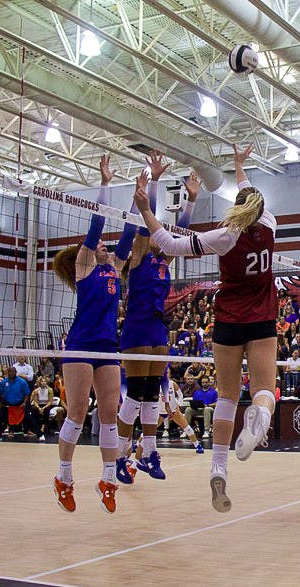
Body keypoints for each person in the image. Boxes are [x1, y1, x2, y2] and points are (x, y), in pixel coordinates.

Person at [134, 143, 277, 513]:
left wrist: (148, 211)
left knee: (227, 395)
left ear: (239, 208)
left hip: (229, 319)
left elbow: (168, 243)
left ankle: (219, 467)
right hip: (262, 318)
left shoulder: (225, 236)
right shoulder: (270, 225)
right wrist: (239, 167)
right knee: (265, 390)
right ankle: (259, 418)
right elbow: (251, 197)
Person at [51, 154, 129, 514]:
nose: (103, 246)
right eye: (97, 245)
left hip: (107, 347)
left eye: (103, 247)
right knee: (77, 413)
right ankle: (64, 478)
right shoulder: (84, 268)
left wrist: (141, 197)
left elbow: (130, 233)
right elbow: (97, 226)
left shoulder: (114, 268)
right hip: (81, 345)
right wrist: (105, 182)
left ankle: (108, 479)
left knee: (109, 414)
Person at [115, 152, 197, 484]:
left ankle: (148, 453)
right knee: (135, 394)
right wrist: (155, 183)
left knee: (152, 394)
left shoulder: (165, 262)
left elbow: (184, 232)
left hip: (158, 327)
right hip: (135, 327)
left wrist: (191, 200)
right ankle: (121, 457)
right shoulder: (138, 258)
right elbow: (143, 224)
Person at [0, 366, 37, 441]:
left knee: (29, 419)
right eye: (10, 372)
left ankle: (39, 434)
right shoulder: (4, 382)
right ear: (8, 373)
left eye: (13, 372)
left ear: (16, 373)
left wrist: (24, 403)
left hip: (19, 405)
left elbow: (27, 394)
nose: (11, 373)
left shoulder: (22, 382)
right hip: (7, 405)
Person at [30, 376, 54, 442]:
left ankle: (43, 426)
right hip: (39, 404)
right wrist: (38, 407)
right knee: (34, 409)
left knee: (46, 410)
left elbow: (50, 401)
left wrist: (43, 408)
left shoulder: (50, 390)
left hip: (46, 405)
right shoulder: (36, 391)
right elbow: (35, 401)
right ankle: (36, 427)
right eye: (42, 381)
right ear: (40, 382)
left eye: (44, 381)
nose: (43, 383)